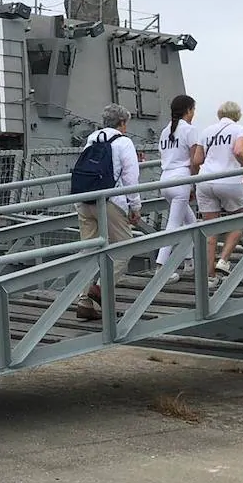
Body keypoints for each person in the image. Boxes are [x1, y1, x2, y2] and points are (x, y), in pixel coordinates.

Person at [73, 104, 141, 321]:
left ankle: (84, 302)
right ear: (122, 123)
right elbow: (131, 177)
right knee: (124, 247)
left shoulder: (91, 139)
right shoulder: (123, 142)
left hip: (84, 200)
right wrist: (135, 206)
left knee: (90, 252)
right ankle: (100, 288)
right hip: (110, 201)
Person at [191, 101, 243, 280]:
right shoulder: (240, 130)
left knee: (210, 230)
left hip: (205, 181)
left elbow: (196, 160)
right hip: (230, 181)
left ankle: (209, 277)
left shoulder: (206, 131)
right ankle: (223, 260)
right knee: (240, 218)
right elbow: (239, 152)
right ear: (237, 115)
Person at [155, 94, 200, 282]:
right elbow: (194, 160)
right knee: (173, 226)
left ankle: (190, 261)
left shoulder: (166, 131)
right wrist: (194, 185)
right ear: (189, 110)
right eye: (193, 110)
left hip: (165, 181)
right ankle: (161, 268)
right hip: (181, 180)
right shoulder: (189, 130)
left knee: (190, 223)